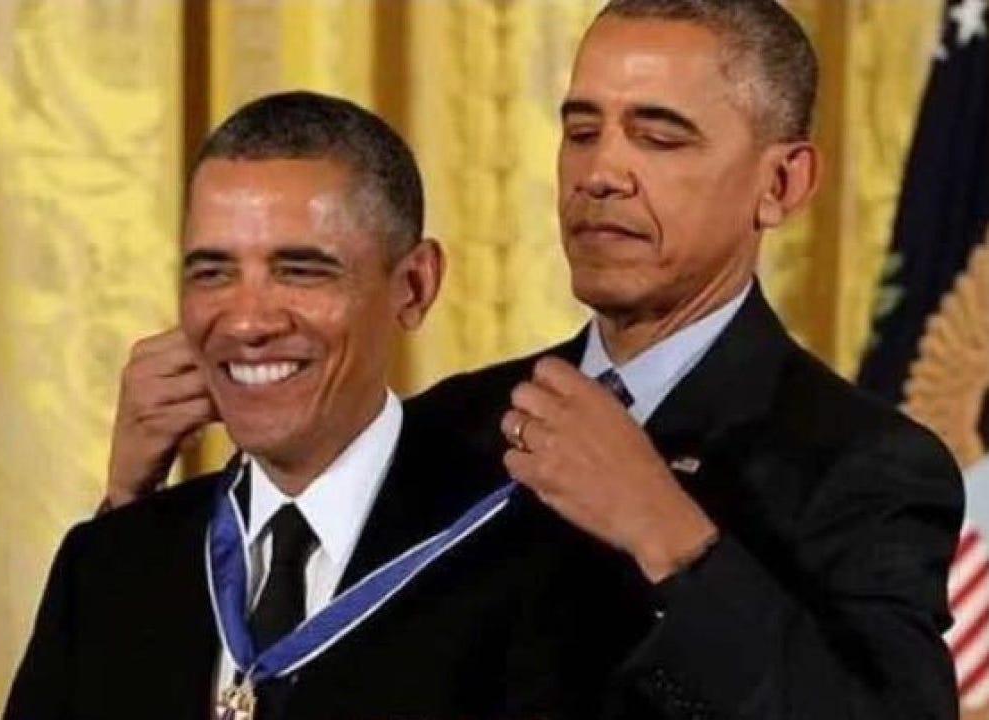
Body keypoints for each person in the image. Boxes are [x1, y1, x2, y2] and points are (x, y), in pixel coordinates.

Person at [81, 1, 966, 718]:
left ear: (782, 184)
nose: (601, 174)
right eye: (583, 131)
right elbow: (283, 670)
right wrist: (131, 513)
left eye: (657, 136)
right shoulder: (453, 421)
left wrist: (672, 538)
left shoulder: (869, 467)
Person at [6, 91, 637, 720]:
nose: (247, 322)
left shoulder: (535, 558)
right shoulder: (110, 566)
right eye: (213, 273)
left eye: (300, 271)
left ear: (413, 287)